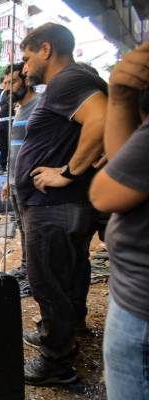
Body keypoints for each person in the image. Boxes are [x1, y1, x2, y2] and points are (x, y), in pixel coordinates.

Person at [16, 23, 107, 385]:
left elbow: (100, 120)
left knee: (47, 282)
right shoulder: (79, 79)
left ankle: (56, 364)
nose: (24, 68)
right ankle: (66, 332)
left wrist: (68, 172)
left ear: (46, 50)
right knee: (68, 274)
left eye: (26, 58)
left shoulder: (67, 80)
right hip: (61, 205)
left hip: (54, 204)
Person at [88, 42, 149, 400]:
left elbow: (104, 194)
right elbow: (120, 157)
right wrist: (122, 98)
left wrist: (120, 97)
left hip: (139, 311)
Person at [0, 62, 40, 291]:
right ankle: (26, 269)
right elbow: (16, 150)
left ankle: (34, 276)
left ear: (25, 80)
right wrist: (8, 179)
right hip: (15, 182)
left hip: (31, 185)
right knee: (23, 230)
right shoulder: (19, 109)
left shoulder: (39, 106)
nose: (7, 88)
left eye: (12, 82)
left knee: (32, 233)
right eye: (5, 83)